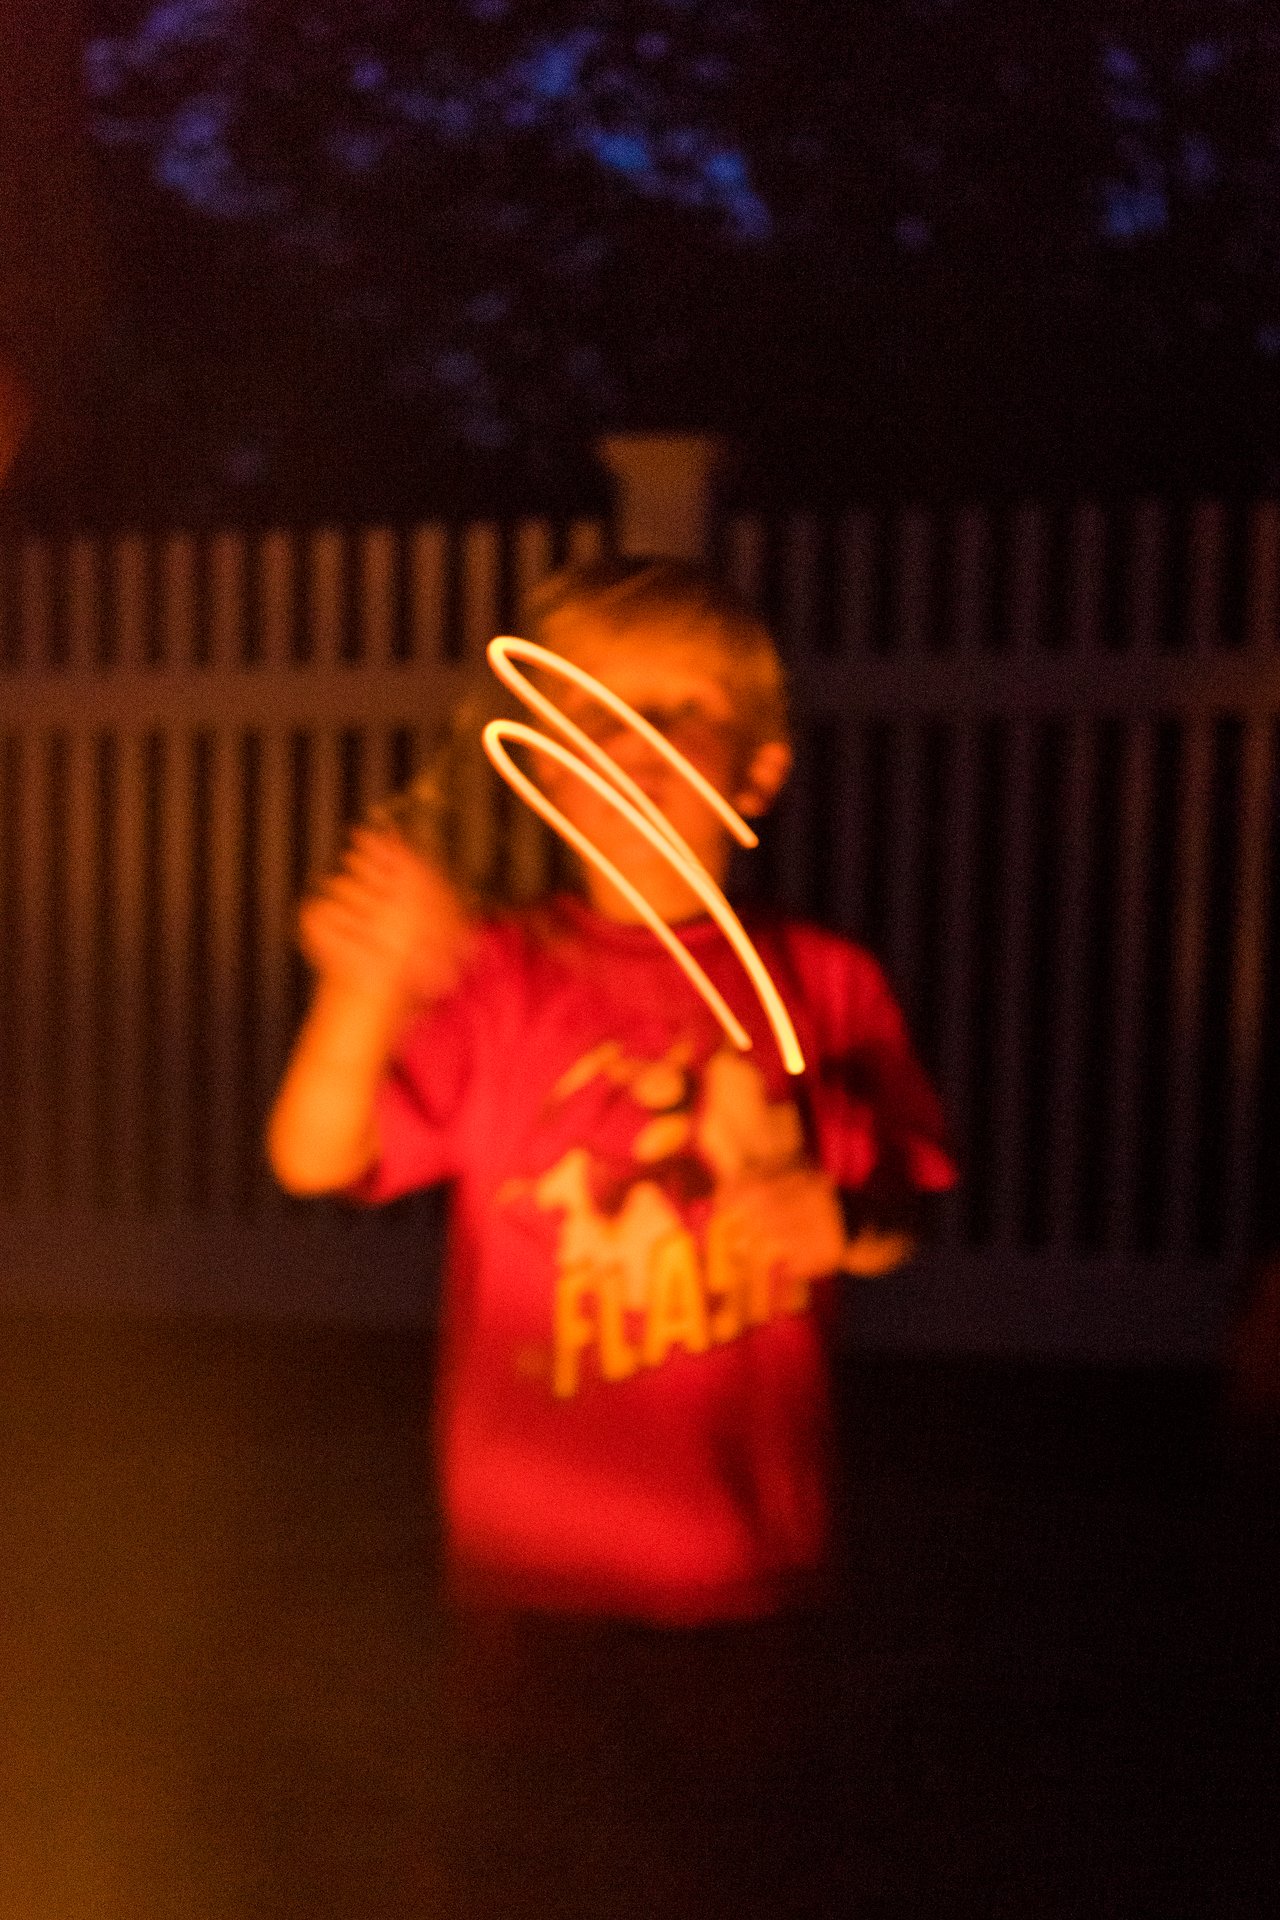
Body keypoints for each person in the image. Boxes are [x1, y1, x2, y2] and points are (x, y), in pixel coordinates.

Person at [267, 555, 956, 1627]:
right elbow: (316, 1156)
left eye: (676, 707)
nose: (631, 741)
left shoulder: (824, 983)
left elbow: (904, 1202)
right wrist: (361, 995)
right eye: (591, 713)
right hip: (525, 1557)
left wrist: (846, 1221)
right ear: (547, 768)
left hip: (744, 1552)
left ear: (757, 774)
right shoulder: (499, 974)